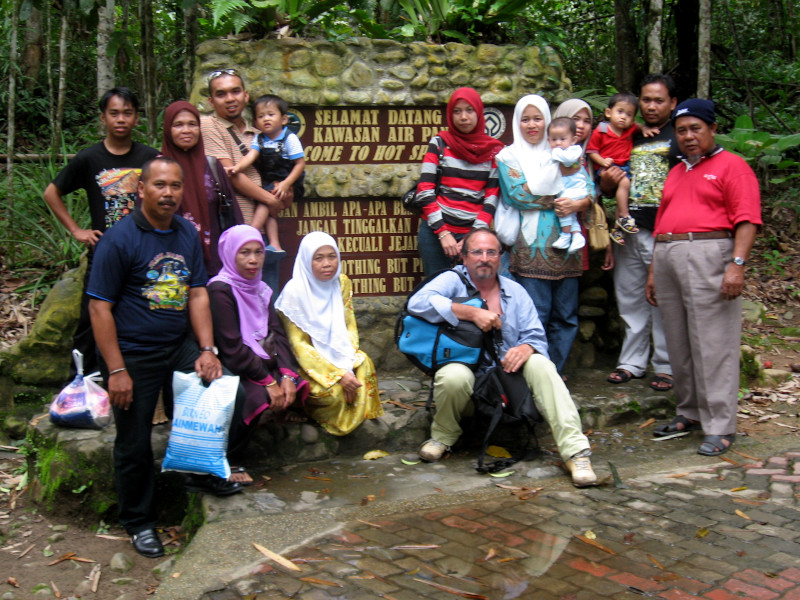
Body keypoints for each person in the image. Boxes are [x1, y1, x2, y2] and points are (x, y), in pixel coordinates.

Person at [87, 157, 243, 559]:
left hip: (177, 343)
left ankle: (202, 474)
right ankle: (139, 521)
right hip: (132, 352)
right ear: (142, 190)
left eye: (175, 186)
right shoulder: (119, 239)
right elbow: (99, 308)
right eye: (160, 185)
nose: (169, 193)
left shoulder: (185, 234)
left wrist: (207, 350)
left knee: (224, 394)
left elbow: (196, 293)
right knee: (134, 439)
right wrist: (116, 370)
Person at [408, 229, 596, 487]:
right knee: (452, 375)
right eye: (476, 252)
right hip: (469, 384)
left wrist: (527, 347)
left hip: (508, 384)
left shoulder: (516, 292)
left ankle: (576, 453)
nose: (484, 258)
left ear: (500, 258)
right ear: (464, 257)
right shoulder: (451, 280)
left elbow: (536, 336)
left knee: (541, 363)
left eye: (491, 252)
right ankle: (443, 436)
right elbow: (417, 303)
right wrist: (469, 313)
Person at [646, 99, 761, 456]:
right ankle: (689, 412)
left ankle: (720, 425)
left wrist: (737, 264)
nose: (689, 137)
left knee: (712, 343)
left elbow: (747, 219)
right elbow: (663, 221)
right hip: (668, 255)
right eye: (682, 131)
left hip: (709, 253)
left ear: (712, 129)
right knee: (678, 342)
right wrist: (653, 270)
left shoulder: (733, 167)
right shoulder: (678, 171)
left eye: (696, 129)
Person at [44, 87, 158, 376]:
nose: (121, 119)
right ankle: (83, 380)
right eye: (114, 113)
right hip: (104, 252)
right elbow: (51, 193)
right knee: (90, 316)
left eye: (128, 113)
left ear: (136, 119)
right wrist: (76, 231)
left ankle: (134, 374)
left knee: (140, 313)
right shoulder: (89, 158)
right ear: (103, 118)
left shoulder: (149, 157)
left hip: (143, 252)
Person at [497, 95, 592, 377]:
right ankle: (535, 374)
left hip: (568, 250)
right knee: (535, 315)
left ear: (547, 121)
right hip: (532, 248)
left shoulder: (568, 152)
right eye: (525, 119)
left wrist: (580, 203)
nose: (532, 125)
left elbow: (589, 189)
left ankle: (555, 371)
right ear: (517, 122)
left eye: (537, 118)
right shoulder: (508, 156)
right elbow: (519, 195)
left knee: (566, 317)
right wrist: (562, 198)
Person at [602, 74, 679, 392]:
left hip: (662, 230)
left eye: (658, 100)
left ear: (672, 103)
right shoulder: (628, 135)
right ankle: (632, 362)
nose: (650, 106)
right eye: (646, 100)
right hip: (626, 227)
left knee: (661, 297)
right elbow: (607, 188)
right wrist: (608, 178)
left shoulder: (680, 136)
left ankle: (666, 365)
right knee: (629, 296)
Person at [275, 232, 384, 435]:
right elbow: (299, 347)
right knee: (332, 394)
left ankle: (356, 409)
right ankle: (313, 412)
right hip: (309, 366)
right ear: (307, 260)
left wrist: (347, 366)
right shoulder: (294, 292)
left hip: (340, 355)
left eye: (332, 256)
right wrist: (338, 375)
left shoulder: (341, 282)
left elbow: (348, 326)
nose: (327, 264)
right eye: (319, 258)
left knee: (365, 363)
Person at [208, 225, 309, 428]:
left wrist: (287, 375)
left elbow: (278, 335)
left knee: (298, 382)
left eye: (258, 252)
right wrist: (269, 382)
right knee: (257, 397)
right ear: (229, 254)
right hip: (237, 368)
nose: (253, 260)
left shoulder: (261, 289)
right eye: (244, 252)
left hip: (261, 362)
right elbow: (232, 349)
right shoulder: (220, 290)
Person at [200, 68, 287, 292]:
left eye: (235, 91)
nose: (230, 99)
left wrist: (281, 191)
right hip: (234, 232)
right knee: (236, 306)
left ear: (246, 95)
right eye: (221, 94)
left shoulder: (257, 131)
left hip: (263, 234)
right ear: (211, 101)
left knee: (267, 299)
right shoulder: (209, 125)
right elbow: (231, 176)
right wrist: (271, 200)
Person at [416, 87, 504, 277]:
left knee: (473, 295)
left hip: (473, 236)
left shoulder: (493, 152)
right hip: (435, 235)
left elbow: (491, 198)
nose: (463, 117)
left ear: (479, 113)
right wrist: (442, 233)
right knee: (437, 293)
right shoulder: (439, 143)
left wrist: (472, 238)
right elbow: (424, 190)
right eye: (457, 111)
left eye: (469, 110)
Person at [160, 100, 243, 276]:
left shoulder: (212, 166)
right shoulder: (156, 169)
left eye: (192, 124)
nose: (186, 130)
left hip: (213, 264)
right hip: (167, 266)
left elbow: (232, 217)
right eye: (178, 125)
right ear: (168, 129)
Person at [226, 94, 306, 254]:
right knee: (268, 206)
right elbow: (251, 156)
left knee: (264, 202)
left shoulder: (289, 138)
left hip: (288, 182)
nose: (266, 119)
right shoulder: (259, 139)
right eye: (261, 116)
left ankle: (251, 233)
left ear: (283, 119)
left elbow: (300, 164)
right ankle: (275, 244)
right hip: (270, 181)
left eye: (271, 114)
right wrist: (237, 168)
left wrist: (286, 184)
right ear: (255, 123)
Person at [587, 93, 647, 245]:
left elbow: (638, 127)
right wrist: (603, 161)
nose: (623, 117)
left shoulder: (630, 129)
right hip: (607, 167)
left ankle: (617, 229)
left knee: (627, 193)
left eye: (628, 114)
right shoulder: (601, 130)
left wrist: (645, 129)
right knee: (625, 184)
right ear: (609, 113)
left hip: (625, 166)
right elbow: (592, 151)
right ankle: (625, 217)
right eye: (620, 112)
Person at [547, 117, 588, 254]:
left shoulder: (574, 150)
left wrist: (555, 153)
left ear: (573, 140)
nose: (558, 143)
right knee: (570, 214)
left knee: (563, 205)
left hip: (577, 190)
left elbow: (569, 161)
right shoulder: (554, 152)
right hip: (567, 189)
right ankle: (576, 235)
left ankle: (565, 235)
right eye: (554, 139)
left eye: (562, 139)